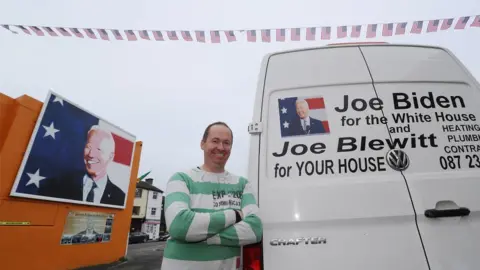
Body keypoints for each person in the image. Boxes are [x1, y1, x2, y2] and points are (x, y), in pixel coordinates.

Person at [161, 121, 263, 270]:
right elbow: (180, 225)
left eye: (226, 143)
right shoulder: (181, 179)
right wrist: (234, 215)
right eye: (215, 141)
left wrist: (198, 237)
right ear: (202, 144)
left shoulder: (242, 184)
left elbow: (255, 230)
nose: (221, 147)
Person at [38, 125, 125, 206]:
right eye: (89, 147)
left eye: (99, 149)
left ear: (110, 157)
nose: (91, 154)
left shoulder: (120, 198)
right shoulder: (57, 184)